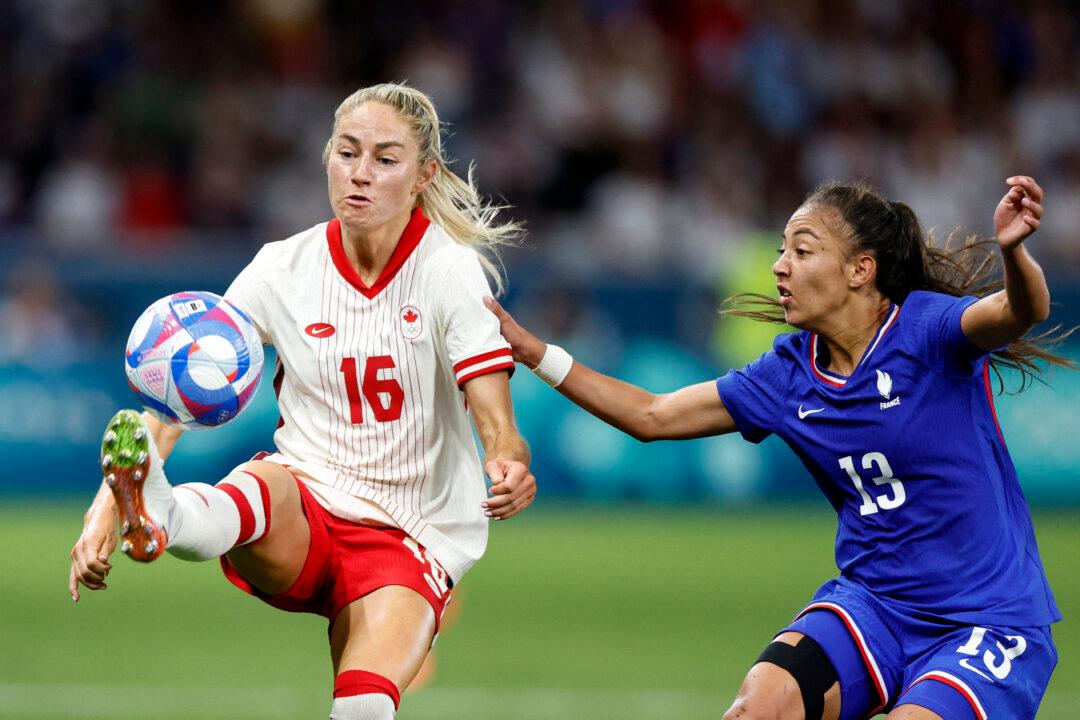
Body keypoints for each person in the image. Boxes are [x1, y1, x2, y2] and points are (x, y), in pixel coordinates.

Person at [486, 176, 1065, 720]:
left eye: (802, 251)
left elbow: (1021, 310)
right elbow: (651, 415)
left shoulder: (927, 332)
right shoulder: (787, 374)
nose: (779, 267)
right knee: (758, 706)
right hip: (875, 610)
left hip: (986, 622)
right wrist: (537, 353)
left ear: (861, 269)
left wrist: (1014, 253)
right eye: (782, 250)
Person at [69, 82, 537, 720]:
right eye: (347, 153)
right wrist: (105, 508)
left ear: (424, 175)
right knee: (262, 483)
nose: (360, 175)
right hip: (307, 499)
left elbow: (497, 422)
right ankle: (159, 511)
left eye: (384, 159)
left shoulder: (450, 273)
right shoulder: (281, 267)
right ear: (326, 158)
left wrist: (507, 460)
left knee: (363, 706)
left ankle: (166, 511)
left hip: (415, 535)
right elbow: (184, 386)